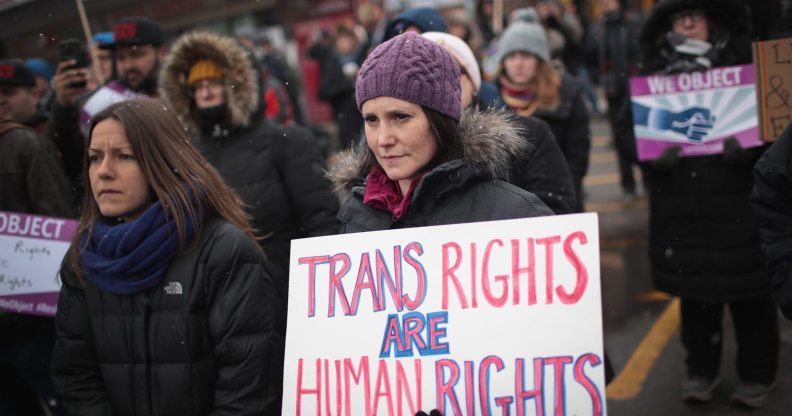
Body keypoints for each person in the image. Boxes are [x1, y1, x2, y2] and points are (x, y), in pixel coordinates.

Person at [50, 99, 285, 415]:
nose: (103, 172)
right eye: (95, 157)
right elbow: (75, 377)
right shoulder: (84, 257)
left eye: (124, 156)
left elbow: (248, 390)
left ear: (163, 162)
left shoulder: (224, 252)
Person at [638, 0, 778, 407]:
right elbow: (626, 130)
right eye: (678, 16)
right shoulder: (651, 72)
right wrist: (650, 155)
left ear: (712, 19)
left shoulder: (744, 65)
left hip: (740, 204)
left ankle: (757, 372)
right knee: (695, 298)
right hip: (681, 208)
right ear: (666, 24)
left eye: (695, 14)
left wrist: (753, 151)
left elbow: (776, 128)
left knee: (751, 296)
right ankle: (700, 368)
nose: (687, 21)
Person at [159, 31, 339, 303]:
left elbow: (323, 223)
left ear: (235, 84)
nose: (206, 91)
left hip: (287, 294)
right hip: (221, 300)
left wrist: (312, 293)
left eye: (214, 82)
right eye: (198, 85)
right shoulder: (187, 154)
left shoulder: (286, 141)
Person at [328, 32, 552, 235]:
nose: (383, 139)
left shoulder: (513, 215)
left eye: (401, 117)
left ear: (441, 120)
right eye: (371, 120)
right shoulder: (356, 216)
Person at [421, 31, 577, 215]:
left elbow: (554, 213)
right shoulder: (393, 148)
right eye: (425, 77)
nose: (440, 85)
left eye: (452, 72)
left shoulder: (528, 135)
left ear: (473, 83)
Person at [0, 59, 72, 416]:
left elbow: (57, 230)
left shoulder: (28, 145)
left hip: (34, 321)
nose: (1, 100)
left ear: (34, 93)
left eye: (8, 92)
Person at [494, 21, 591, 212]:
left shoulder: (567, 96)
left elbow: (577, 158)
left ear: (540, 60)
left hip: (555, 202)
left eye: (526, 55)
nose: (518, 63)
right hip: (504, 210)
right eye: (511, 56)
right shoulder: (491, 99)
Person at [598, 0, 644, 199]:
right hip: (614, 91)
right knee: (620, 139)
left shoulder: (633, 23)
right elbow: (593, 56)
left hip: (635, 88)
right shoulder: (601, 27)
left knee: (642, 136)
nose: (605, 3)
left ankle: (648, 182)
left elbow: (639, 53)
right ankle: (628, 185)